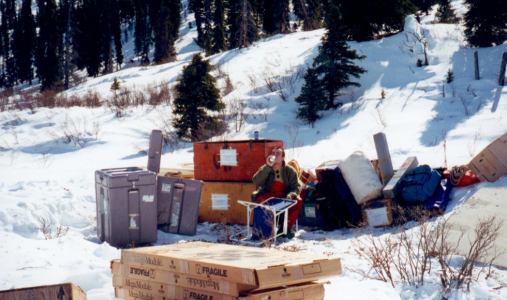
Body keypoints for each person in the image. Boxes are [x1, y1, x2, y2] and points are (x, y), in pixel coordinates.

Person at [251, 146, 302, 238]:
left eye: (277, 154)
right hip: (269, 194)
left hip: (283, 196)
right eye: (273, 153)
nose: (274, 155)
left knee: (298, 201)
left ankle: (285, 229)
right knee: (259, 199)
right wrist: (268, 166)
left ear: (283, 158)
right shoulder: (265, 168)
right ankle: (262, 232)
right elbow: (256, 181)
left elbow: (296, 187)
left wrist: (291, 194)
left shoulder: (290, 170)